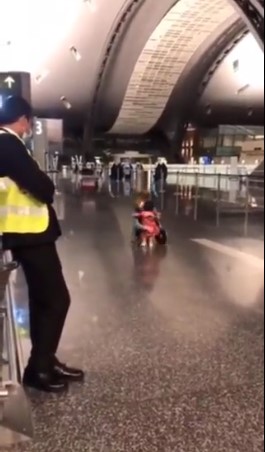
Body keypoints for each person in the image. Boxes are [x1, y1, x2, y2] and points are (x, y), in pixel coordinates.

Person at [0, 95, 84, 393]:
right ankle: (39, 367)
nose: (29, 127)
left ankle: (44, 361)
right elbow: (44, 188)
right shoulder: (7, 143)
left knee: (41, 299)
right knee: (58, 299)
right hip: (29, 234)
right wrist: (42, 185)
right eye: (29, 122)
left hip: (26, 234)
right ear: (22, 119)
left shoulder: (8, 144)